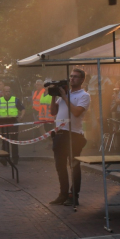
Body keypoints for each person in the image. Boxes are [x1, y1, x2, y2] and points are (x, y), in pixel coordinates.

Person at [49, 69, 90, 207]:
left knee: (74, 166)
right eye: (71, 76)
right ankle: (63, 194)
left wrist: (65, 97)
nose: (72, 79)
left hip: (74, 135)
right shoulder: (64, 95)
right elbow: (53, 112)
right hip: (60, 134)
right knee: (60, 166)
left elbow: (77, 112)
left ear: (82, 80)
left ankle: (74, 195)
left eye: (75, 77)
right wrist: (54, 96)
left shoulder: (84, 95)